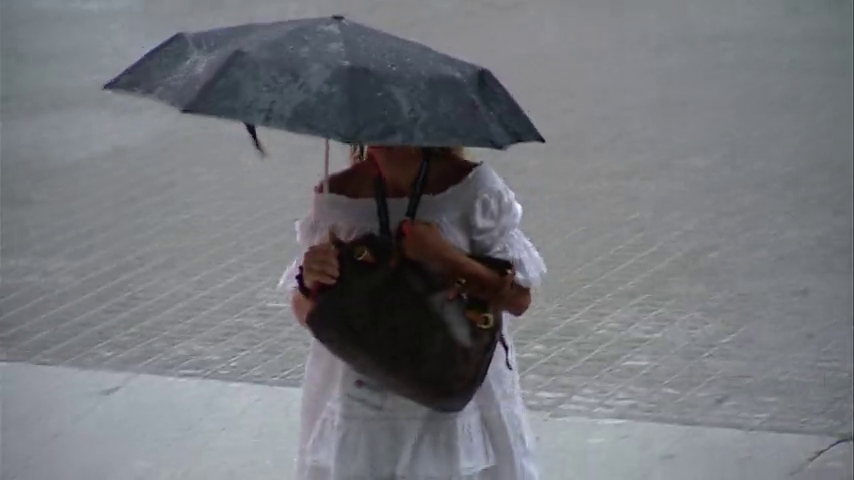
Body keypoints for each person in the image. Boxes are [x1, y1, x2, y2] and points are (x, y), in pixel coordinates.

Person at [280, 145, 547, 480]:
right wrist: (311, 281)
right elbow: (307, 312)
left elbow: (519, 299)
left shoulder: (473, 190)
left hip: (455, 389)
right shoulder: (337, 197)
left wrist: (445, 258)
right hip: (363, 405)